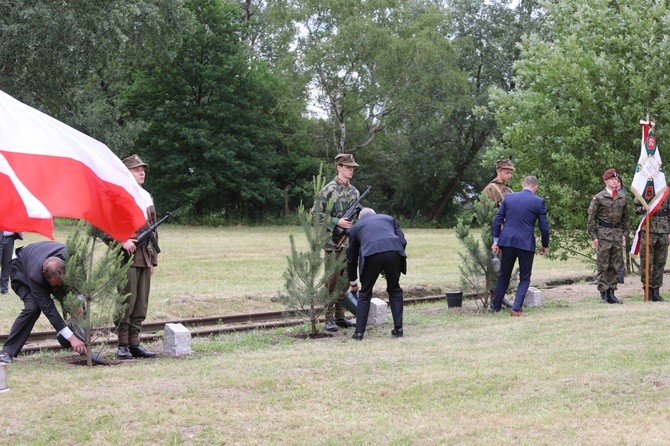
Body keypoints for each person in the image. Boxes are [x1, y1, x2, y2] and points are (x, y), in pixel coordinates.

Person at [0, 241, 87, 364]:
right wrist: (71, 338)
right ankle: (7, 352)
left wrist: (78, 301)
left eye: (60, 283)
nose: (57, 288)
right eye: (53, 285)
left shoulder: (74, 260)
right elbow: (48, 308)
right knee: (33, 307)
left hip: (43, 260)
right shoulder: (35, 276)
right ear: (45, 278)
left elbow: (82, 284)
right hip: (21, 271)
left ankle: (83, 340)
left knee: (74, 302)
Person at [111, 154, 159, 359]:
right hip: (127, 257)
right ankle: (122, 344)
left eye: (143, 169)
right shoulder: (119, 195)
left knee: (140, 303)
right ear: (126, 173)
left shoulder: (146, 196)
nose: (142, 173)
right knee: (126, 302)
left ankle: (134, 343)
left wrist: (153, 259)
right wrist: (121, 240)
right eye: (136, 169)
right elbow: (105, 225)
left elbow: (153, 232)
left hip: (145, 256)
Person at [313, 153, 360, 332]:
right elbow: (316, 214)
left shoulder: (354, 192)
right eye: (348, 167)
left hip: (350, 244)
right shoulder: (328, 190)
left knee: (346, 281)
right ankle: (328, 318)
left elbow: (356, 219)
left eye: (353, 168)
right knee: (332, 281)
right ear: (338, 167)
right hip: (333, 244)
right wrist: (336, 222)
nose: (351, 171)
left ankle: (340, 316)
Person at [490, 176, 550, 316]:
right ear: (536, 187)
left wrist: (496, 241)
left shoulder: (509, 198)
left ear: (523, 184)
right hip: (525, 243)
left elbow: (498, 220)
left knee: (504, 275)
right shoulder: (538, 201)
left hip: (507, 241)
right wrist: (544, 245)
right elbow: (544, 227)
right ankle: (516, 309)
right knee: (524, 277)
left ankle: (495, 307)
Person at [346, 208, 407, 340]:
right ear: (375, 215)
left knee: (364, 293)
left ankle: (359, 333)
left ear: (360, 218)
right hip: (394, 252)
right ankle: (399, 329)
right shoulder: (389, 219)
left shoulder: (356, 227)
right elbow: (402, 241)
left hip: (371, 255)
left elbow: (351, 257)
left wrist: (352, 281)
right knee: (395, 289)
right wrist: (394, 263)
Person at [587, 168, 630, 304]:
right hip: (603, 234)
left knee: (614, 265)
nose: (615, 181)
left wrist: (625, 234)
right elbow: (591, 219)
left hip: (617, 234)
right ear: (606, 181)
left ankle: (612, 292)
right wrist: (594, 236)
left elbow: (626, 218)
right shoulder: (599, 197)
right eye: (612, 179)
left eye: (616, 179)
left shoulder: (622, 197)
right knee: (603, 264)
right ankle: (603, 293)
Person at [482, 159, 516, 309]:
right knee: (495, 265)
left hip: (509, 232)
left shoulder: (509, 190)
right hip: (497, 232)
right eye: (507, 172)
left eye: (510, 173)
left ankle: (500, 296)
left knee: (505, 266)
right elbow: (487, 213)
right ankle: (493, 298)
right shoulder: (491, 188)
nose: (509, 175)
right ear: (499, 171)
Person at [634, 193, 670, 302]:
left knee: (660, 262)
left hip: (664, 231)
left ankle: (656, 291)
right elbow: (636, 209)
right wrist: (643, 208)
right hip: (648, 229)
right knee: (646, 262)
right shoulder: (645, 190)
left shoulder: (666, 192)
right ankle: (647, 290)